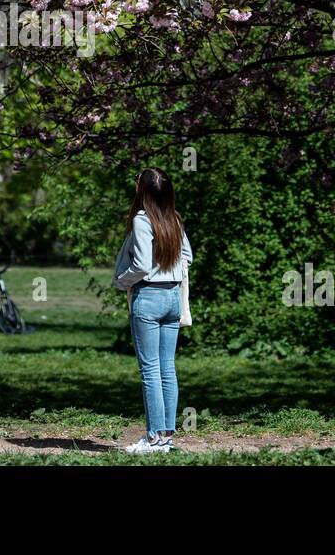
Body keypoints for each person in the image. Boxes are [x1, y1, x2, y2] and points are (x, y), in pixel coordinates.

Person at [112, 167, 193, 454]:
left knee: (150, 370)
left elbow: (142, 265)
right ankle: (167, 438)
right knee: (167, 368)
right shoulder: (175, 219)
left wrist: (122, 281)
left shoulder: (142, 220)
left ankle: (154, 438)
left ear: (143, 190)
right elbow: (187, 257)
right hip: (173, 298)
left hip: (148, 297)